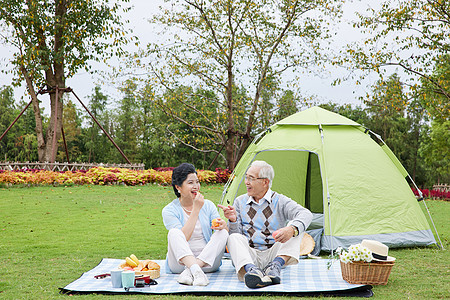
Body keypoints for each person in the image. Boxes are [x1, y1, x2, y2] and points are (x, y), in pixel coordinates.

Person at [219, 160, 313, 289]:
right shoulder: (239, 202)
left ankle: (275, 267)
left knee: (296, 228)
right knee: (233, 238)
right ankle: (252, 271)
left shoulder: (280, 200)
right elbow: (236, 236)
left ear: (265, 182)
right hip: (250, 256)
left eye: (251, 178)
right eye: (246, 177)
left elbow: (306, 214)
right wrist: (233, 220)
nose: (246, 182)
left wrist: (291, 229)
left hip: (274, 254)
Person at [162, 163, 228, 286]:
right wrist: (196, 209)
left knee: (223, 232)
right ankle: (195, 270)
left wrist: (223, 225)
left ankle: (192, 270)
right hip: (179, 264)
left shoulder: (208, 205)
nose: (196, 186)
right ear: (178, 187)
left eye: (197, 182)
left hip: (207, 262)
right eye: (190, 182)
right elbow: (183, 237)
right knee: (174, 233)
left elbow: (220, 230)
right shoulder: (169, 210)